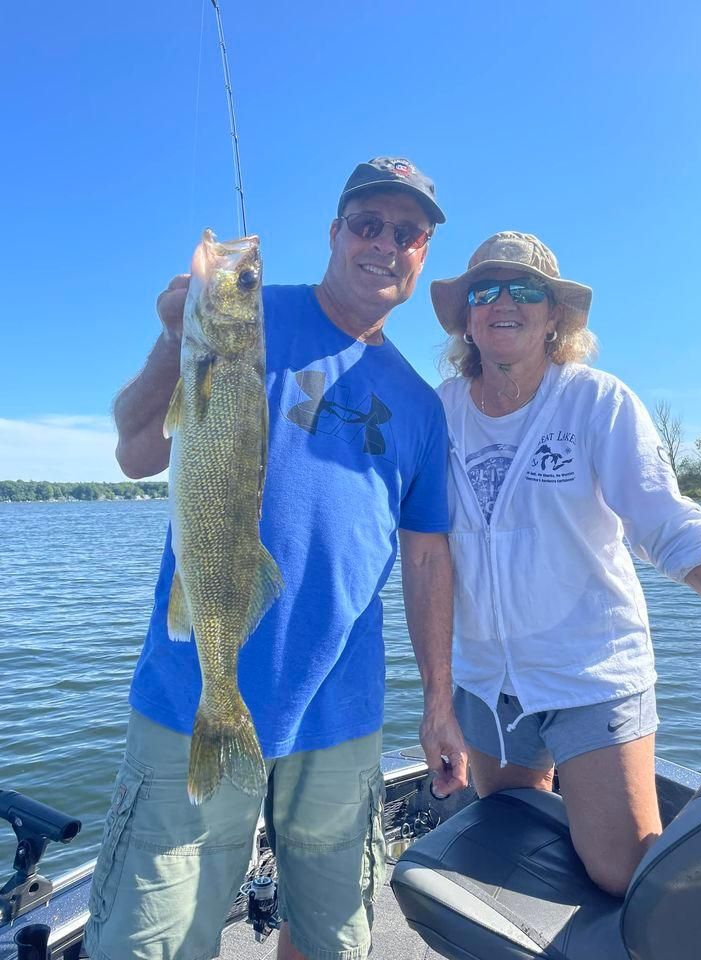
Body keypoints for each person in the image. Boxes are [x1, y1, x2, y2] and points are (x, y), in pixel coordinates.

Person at [83, 157, 468, 960]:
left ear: (424, 252)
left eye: (408, 232)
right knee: (149, 943)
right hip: (196, 692)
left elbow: (427, 561)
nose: (385, 244)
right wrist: (173, 335)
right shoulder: (254, 321)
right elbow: (132, 449)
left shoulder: (424, 407)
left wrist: (439, 702)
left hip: (343, 711)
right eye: (368, 224)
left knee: (333, 938)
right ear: (334, 234)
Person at [431, 230, 701, 897]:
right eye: (486, 290)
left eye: (526, 289)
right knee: (516, 833)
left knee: (623, 873)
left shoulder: (598, 402)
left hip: (592, 674)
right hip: (486, 684)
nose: (505, 302)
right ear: (467, 317)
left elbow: (670, 526)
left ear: (555, 315)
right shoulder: (437, 412)